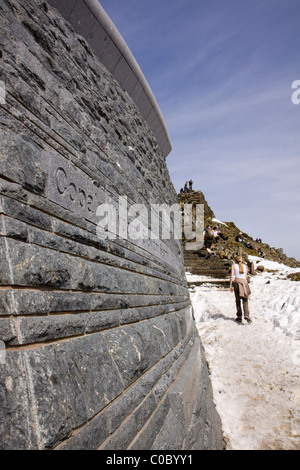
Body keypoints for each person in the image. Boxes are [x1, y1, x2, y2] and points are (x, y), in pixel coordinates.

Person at [230, 255, 252, 324]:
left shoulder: (233, 266)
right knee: (245, 299)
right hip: (244, 283)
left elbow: (231, 276)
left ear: (235, 260)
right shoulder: (245, 266)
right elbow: (245, 276)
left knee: (237, 300)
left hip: (237, 282)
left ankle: (239, 316)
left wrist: (230, 285)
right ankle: (246, 314)